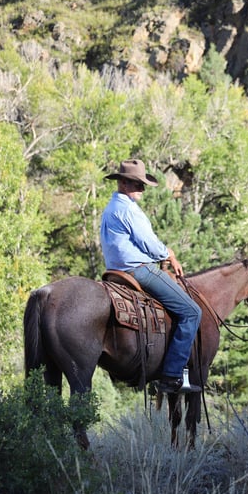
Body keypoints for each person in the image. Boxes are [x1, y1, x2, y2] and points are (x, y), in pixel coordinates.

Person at [100, 159, 202, 394]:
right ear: (123, 183)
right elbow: (150, 244)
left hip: (115, 271)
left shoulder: (110, 207)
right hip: (138, 270)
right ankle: (172, 375)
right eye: (138, 184)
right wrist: (170, 254)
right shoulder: (128, 209)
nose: (142, 189)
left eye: (143, 185)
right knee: (191, 312)